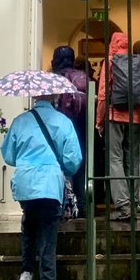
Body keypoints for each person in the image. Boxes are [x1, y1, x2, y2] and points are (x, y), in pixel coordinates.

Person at [0, 94, 81, 280]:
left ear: (35, 97)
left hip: (26, 183)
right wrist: (58, 167)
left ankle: (26, 272)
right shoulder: (63, 122)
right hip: (50, 186)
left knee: (28, 225)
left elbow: (9, 155)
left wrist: (28, 160)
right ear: (55, 98)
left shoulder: (20, 121)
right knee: (47, 247)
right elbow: (73, 160)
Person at [95, 32, 140, 221]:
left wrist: (99, 120)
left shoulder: (110, 62)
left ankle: (123, 206)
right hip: (137, 117)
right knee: (132, 159)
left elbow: (102, 96)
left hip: (115, 116)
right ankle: (134, 202)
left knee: (114, 159)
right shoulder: (137, 62)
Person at [51, 45, 88, 217]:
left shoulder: (52, 79)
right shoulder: (82, 77)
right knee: (79, 165)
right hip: (80, 127)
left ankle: (62, 204)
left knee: (58, 165)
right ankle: (82, 205)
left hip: (57, 127)